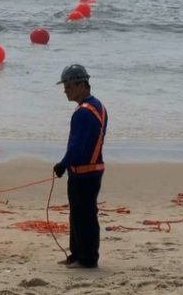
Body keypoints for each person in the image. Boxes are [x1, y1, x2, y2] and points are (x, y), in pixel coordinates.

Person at [53, 64, 107, 269]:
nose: (65, 89)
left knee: (84, 216)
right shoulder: (98, 106)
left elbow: (77, 145)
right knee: (78, 213)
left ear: (82, 84)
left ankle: (88, 258)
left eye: (68, 85)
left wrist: (62, 164)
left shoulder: (82, 113)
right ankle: (76, 254)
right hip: (93, 170)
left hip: (84, 173)